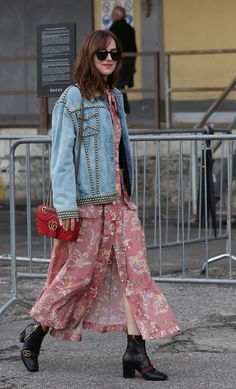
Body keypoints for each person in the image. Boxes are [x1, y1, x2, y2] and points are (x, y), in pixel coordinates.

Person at [19, 30, 180, 381]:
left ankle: (136, 352)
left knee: (135, 276)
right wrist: (66, 207)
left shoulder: (116, 98)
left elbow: (120, 154)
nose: (109, 58)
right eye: (102, 53)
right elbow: (61, 159)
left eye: (115, 53)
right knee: (76, 277)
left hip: (121, 204)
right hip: (88, 207)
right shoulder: (72, 99)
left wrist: (129, 194)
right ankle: (35, 334)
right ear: (89, 56)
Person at [109, 5, 137, 114]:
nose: (111, 16)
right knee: (120, 88)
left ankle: (122, 111)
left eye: (112, 14)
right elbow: (134, 49)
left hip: (117, 64)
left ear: (116, 16)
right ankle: (124, 110)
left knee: (116, 88)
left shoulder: (113, 30)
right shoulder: (130, 29)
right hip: (128, 65)